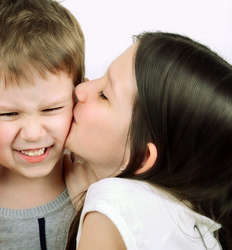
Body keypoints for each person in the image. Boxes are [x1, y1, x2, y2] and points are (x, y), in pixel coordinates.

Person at [64, 32, 232, 249]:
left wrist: (95, 206)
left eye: (104, 94)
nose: (81, 89)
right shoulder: (200, 227)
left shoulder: (111, 205)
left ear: (142, 156)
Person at [0, 0, 85, 249]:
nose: (32, 133)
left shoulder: (99, 189)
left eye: (51, 109)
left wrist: (90, 209)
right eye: (8, 114)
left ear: (78, 95)